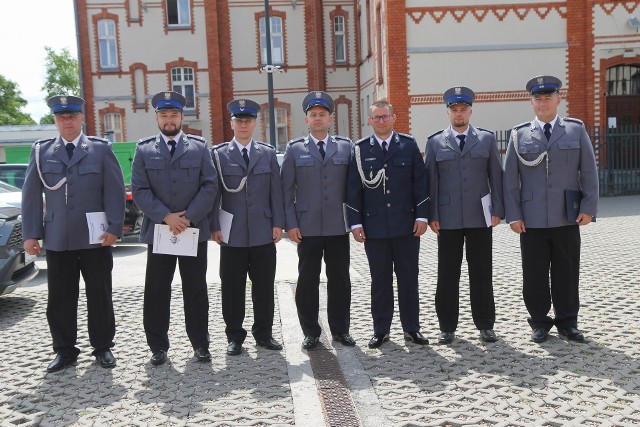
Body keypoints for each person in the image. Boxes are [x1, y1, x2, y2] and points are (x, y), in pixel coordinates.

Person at [22, 95, 126, 372]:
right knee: (60, 297)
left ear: (82, 118)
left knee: (99, 294)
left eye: (72, 116)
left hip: (96, 238)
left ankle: (102, 347)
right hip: (58, 237)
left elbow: (114, 192)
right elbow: (31, 195)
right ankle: (64, 350)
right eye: (61, 117)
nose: (67, 121)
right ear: (55, 120)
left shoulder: (100, 150)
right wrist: (31, 234)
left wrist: (115, 228)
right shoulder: (41, 151)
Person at [503, 75, 598, 343]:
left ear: (559, 99)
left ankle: (568, 322)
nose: (543, 102)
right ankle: (540, 323)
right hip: (530, 219)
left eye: (548, 97)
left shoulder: (575, 130)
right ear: (531, 102)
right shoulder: (519, 134)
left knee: (567, 271)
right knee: (533, 272)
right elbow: (510, 179)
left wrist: (589, 207)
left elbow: (589, 171)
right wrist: (514, 215)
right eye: (538, 98)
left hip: (567, 214)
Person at [131, 91, 217, 365]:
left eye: (174, 115)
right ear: (157, 117)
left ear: (182, 117)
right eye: (164, 115)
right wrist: (167, 217)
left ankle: (200, 344)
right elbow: (140, 189)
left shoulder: (199, 147)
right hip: (160, 230)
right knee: (157, 289)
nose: (169, 120)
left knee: (195, 288)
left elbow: (210, 185)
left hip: (192, 230)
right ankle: (157, 346)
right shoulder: (144, 149)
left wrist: (188, 217)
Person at [346, 99, 430, 349]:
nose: (381, 121)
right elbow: (353, 190)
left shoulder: (408, 145)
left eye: (385, 116)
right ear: (370, 121)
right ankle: (381, 329)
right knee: (380, 280)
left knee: (408, 278)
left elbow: (420, 183)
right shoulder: (360, 149)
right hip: (375, 227)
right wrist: (355, 223)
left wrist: (422, 216)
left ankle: (411, 328)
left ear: (393, 118)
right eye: (376, 117)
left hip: (406, 225)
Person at [425, 86, 504, 345]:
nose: (458, 114)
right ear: (447, 112)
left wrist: (498, 210)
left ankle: (485, 325)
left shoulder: (486, 139)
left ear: (470, 110)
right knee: (447, 273)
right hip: (446, 219)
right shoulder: (435, 141)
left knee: (481, 271)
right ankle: (446, 326)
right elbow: (431, 183)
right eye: (454, 110)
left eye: (463, 109)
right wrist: (432, 214)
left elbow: (496, 176)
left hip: (480, 216)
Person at [210, 99, 285, 356]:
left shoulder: (266, 152)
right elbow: (214, 194)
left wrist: (278, 223)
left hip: (264, 230)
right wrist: (214, 226)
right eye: (238, 120)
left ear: (255, 123)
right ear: (231, 123)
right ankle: (234, 336)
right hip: (232, 233)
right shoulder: (219, 155)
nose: (243, 124)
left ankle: (264, 333)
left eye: (248, 120)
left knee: (264, 285)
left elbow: (277, 191)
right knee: (232, 286)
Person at [281, 91, 355, 350]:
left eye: (322, 114)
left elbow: (353, 189)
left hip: (337, 225)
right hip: (307, 227)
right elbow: (286, 191)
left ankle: (340, 330)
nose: (318, 119)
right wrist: (291, 224)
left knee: (340, 279)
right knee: (308, 279)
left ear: (330, 119)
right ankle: (311, 330)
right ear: (306, 120)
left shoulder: (346, 147)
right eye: (313, 115)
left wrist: (355, 222)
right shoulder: (294, 149)